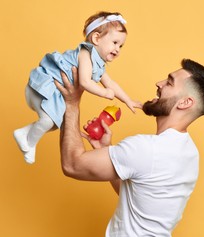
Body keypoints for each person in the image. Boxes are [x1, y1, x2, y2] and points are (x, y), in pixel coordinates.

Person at [56, 58, 204, 237]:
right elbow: (141, 198)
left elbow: (72, 165)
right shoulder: (188, 153)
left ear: (185, 102)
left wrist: (71, 105)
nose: (159, 84)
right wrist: (107, 150)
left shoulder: (147, 148)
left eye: (169, 82)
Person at [14, 11, 141, 164]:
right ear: (96, 38)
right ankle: (29, 143)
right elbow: (85, 82)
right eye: (115, 43)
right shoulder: (85, 54)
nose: (118, 49)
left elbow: (111, 83)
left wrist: (128, 100)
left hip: (53, 93)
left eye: (121, 45)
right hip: (42, 88)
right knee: (48, 121)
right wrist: (104, 92)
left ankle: (24, 135)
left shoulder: (98, 64)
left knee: (55, 123)